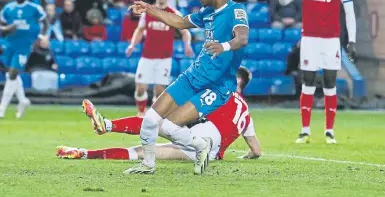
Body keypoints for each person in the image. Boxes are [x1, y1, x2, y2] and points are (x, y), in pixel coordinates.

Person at [125, 0, 249, 174]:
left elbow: (242, 38)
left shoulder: (236, 11)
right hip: (193, 76)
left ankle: (201, 146)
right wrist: (148, 8)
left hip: (216, 86)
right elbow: (180, 22)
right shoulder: (207, 12)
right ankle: (149, 164)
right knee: (150, 120)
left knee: (170, 127)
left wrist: (224, 46)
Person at [57, 67, 261, 161]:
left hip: (195, 139)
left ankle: (107, 126)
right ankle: (83, 153)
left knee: (151, 123)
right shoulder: (246, 114)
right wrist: (247, 157)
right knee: (143, 152)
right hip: (205, 152)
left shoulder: (220, 94)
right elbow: (256, 150)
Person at [273, 0, 356, 144]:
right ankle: (305, 130)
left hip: (330, 41)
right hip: (309, 39)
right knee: (307, 82)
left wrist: (351, 40)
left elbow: (350, 13)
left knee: (329, 83)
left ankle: (329, 131)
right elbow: (284, 0)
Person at [126, 0, 193, 117]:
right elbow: (140, 30)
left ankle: (151, 117)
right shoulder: (148, 12)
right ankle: (141, 113)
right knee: (140, 88)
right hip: (147, 57)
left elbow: (185, 32)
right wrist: (132, 45)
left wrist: (187, 45)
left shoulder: (173, 13)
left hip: (164, 59)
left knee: (159, 91)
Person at [0, 0, 48, 120]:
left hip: (25, 45)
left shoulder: (34, 8)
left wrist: (41, 37)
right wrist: (9, 28)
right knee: (10, 73)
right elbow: (1, 28)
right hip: (10, 43)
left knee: (12, 73)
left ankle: (1, 108)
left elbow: (45, 23)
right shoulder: (8, 9)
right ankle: (23, 100)